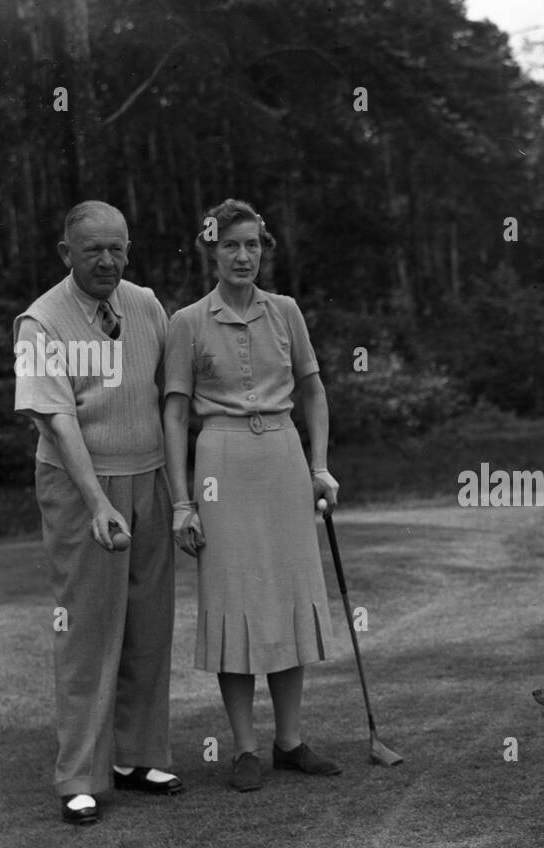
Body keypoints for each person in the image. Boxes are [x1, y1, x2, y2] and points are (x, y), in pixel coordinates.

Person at [163, 198, 342, 792]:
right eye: (231, 245)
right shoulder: (187, 321)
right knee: (233, 601)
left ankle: (289, 742)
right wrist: (182, 502)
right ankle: (243, 747)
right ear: (210, 250)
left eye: (253, 245)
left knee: (289, 593)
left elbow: (313, 393)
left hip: (284, 459)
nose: (243, 256)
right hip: (219, 459)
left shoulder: (286, 311)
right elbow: (174, 415)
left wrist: (319, 466)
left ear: (264, 250)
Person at [14, 200, 183, 825]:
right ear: (66, 254)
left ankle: (136, 756)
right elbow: (55, 420)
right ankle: (80, 774)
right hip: (79, 485)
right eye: (94, 251)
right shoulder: (40, 322)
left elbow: (172, 398)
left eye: (118, 248)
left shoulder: (146, 305)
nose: (108, 260)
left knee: (148, 622)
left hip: (150, 479)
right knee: (86, 627)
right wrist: (97, 503)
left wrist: (182, 494)